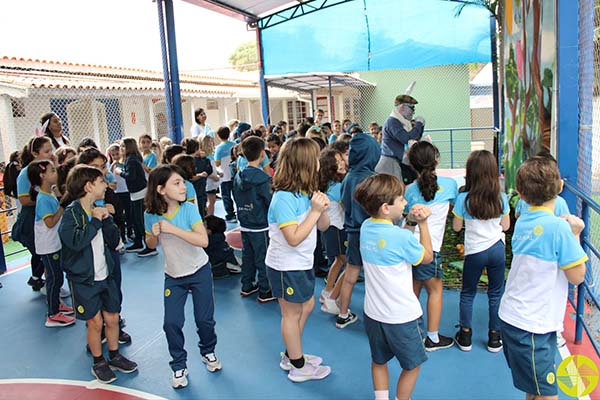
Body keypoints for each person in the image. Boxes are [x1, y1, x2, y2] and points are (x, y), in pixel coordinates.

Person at [499, 156, 587, 400]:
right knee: (548, 394)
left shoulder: (525, 220)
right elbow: (577, 276)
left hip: (519, 319)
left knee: (535, 388)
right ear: (560, 187)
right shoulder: (558, 228)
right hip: (532, 326)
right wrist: (576, 234)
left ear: (520, 193)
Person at [354, 174, 433, 400]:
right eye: (401, 200)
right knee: (413, 364)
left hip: (374, 314)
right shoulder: (398, 237)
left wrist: (409, 223)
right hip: (402, 317)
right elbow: (426, 256)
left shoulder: (366, 227)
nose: (405, 202)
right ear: (386, 208)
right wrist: (424, 224)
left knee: (379, 361)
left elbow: (397, 244)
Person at [59, 165, 138, 384]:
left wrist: (108, 219)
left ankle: (114, 355)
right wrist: (95, 221)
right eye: (101, 181)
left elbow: (113, 241)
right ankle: (98, 361)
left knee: (112, 318)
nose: (106, 184)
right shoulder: (71, 214)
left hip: (106, 274)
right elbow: (75, 243)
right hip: (84, 279)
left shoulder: (99, 208)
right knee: (94, 322)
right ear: (89, 186)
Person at [144, 165, 221, 389]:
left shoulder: (188, 209)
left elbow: (203, 241)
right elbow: (150, 243)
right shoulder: (150, 214)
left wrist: (170, 229)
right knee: (171, 323)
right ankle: (179, 364)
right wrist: (154, 236)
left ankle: (208, 350)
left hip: (199, 270)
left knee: (204, 319)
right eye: (176, 183)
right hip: (174, 275)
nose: (183, 186)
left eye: (183, 182)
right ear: (160, 189)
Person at [265, 138, 332, 382]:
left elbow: (324, 226)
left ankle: (291, 355)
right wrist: (314, 212)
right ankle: (297, 365)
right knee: (291, 314)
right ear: (304, 163)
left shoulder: (305, 192)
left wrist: (321, 209)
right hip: (286, 266)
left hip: (302, 264)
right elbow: (292, 238)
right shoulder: (284, 198)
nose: (318, 163)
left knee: (307, 306)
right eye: (315, 158)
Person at [452, 150, 510, 352]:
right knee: (496, 294)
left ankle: (465, 337)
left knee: (468, 293)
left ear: (470, 173)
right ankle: (495, 338)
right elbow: (506, 226)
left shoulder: (463, 198)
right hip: (496, 249)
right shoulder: (501, 197)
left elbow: (457, 227)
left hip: (474, 251)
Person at [405, 141, 457, 351]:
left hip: (408, 245)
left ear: (412, 164)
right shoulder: (450, 185)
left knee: (412, 290)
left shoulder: (408, 191)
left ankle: (408, 332)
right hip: (430, 248)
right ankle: (432, 338)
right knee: (435, 291)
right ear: (436, 159)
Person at [336, 133, 381, 328]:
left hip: (353, 233)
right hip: (373, 236)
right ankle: (377, 317)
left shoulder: (348, 178)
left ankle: (343, 314)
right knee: (376, 279)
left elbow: (344, 204)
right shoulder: (373, 180)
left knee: (350, 275)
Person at [28, 160, 75, 327]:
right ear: (43, 176)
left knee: (56, 275)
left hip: (54, 243)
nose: (56, 173)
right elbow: (50, 222)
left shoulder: (49, 194)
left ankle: (56, 304)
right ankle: (52, 314)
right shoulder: (43, 199)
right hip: (48, 245)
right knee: (54, 278)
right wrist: (62, 206)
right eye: (52, 171)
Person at [233, 136, 274, 302]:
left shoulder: (238, 176)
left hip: (244, 222)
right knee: (263, 256)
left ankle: (247, 285)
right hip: (260, 225)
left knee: (247, 255)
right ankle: (265, 290)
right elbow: (269, 202)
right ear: (262, 154)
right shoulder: (263, 179)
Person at [13, 136, 55, 292]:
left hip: (42, 215)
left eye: (51, 150)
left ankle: (39, 279)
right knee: (41, 251)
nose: (51, 154)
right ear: (35, 153)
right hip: (31, 218)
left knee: (46, 250)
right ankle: (43, 281)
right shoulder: (26, 173)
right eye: (47, 151)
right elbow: (24, 199)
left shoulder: (48, 169)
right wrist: (44, 198)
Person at [318, 148, 347, 315]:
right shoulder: (337, 186)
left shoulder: (328, 183)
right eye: (337, 161)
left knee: (338, 261)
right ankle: (331, 297)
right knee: (349, 263)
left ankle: (327, 291)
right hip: (336, 228)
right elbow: (345, 205)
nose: (342, 162)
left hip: (331, 228)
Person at [114, 138, 155, 256]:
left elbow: (131, 176)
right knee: (136, 220)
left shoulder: (131, 159)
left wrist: (119, 172)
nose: (120, 149)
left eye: (122, 146)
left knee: (141, 221)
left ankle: (150, 247)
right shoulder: (131, 159)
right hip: (135, 193)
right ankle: (138, 242)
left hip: (139, 193)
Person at [375, 95, 425, 183]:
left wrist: (421, 126)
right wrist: (418, 124)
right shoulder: (393, 121)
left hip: (396, 162)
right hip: (389, 164)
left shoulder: (402, 122)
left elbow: (415, 138)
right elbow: (407, 139)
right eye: (412, 108)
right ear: (402, 107)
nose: (413, 112)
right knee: (396, 191)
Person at [214, 127, 236, 221]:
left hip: (224, 175)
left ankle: (230, 214)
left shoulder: (219, 148)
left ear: (218, 136)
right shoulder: (234, 145)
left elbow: (217, 162)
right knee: (236, 194)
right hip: (235, 174)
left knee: (226, 195)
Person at [200, 136, 221, 216]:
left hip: (213, 182)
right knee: (211, 201)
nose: (211, 144)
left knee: (212, 201)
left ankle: (210, 216)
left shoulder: (211, 155)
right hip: (209, 183)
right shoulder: (204, 157)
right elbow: (206, 170)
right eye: (208, 142)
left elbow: (213, 168)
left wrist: (218, 173)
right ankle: (209, 217)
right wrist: (214, 177)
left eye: (211, 142)